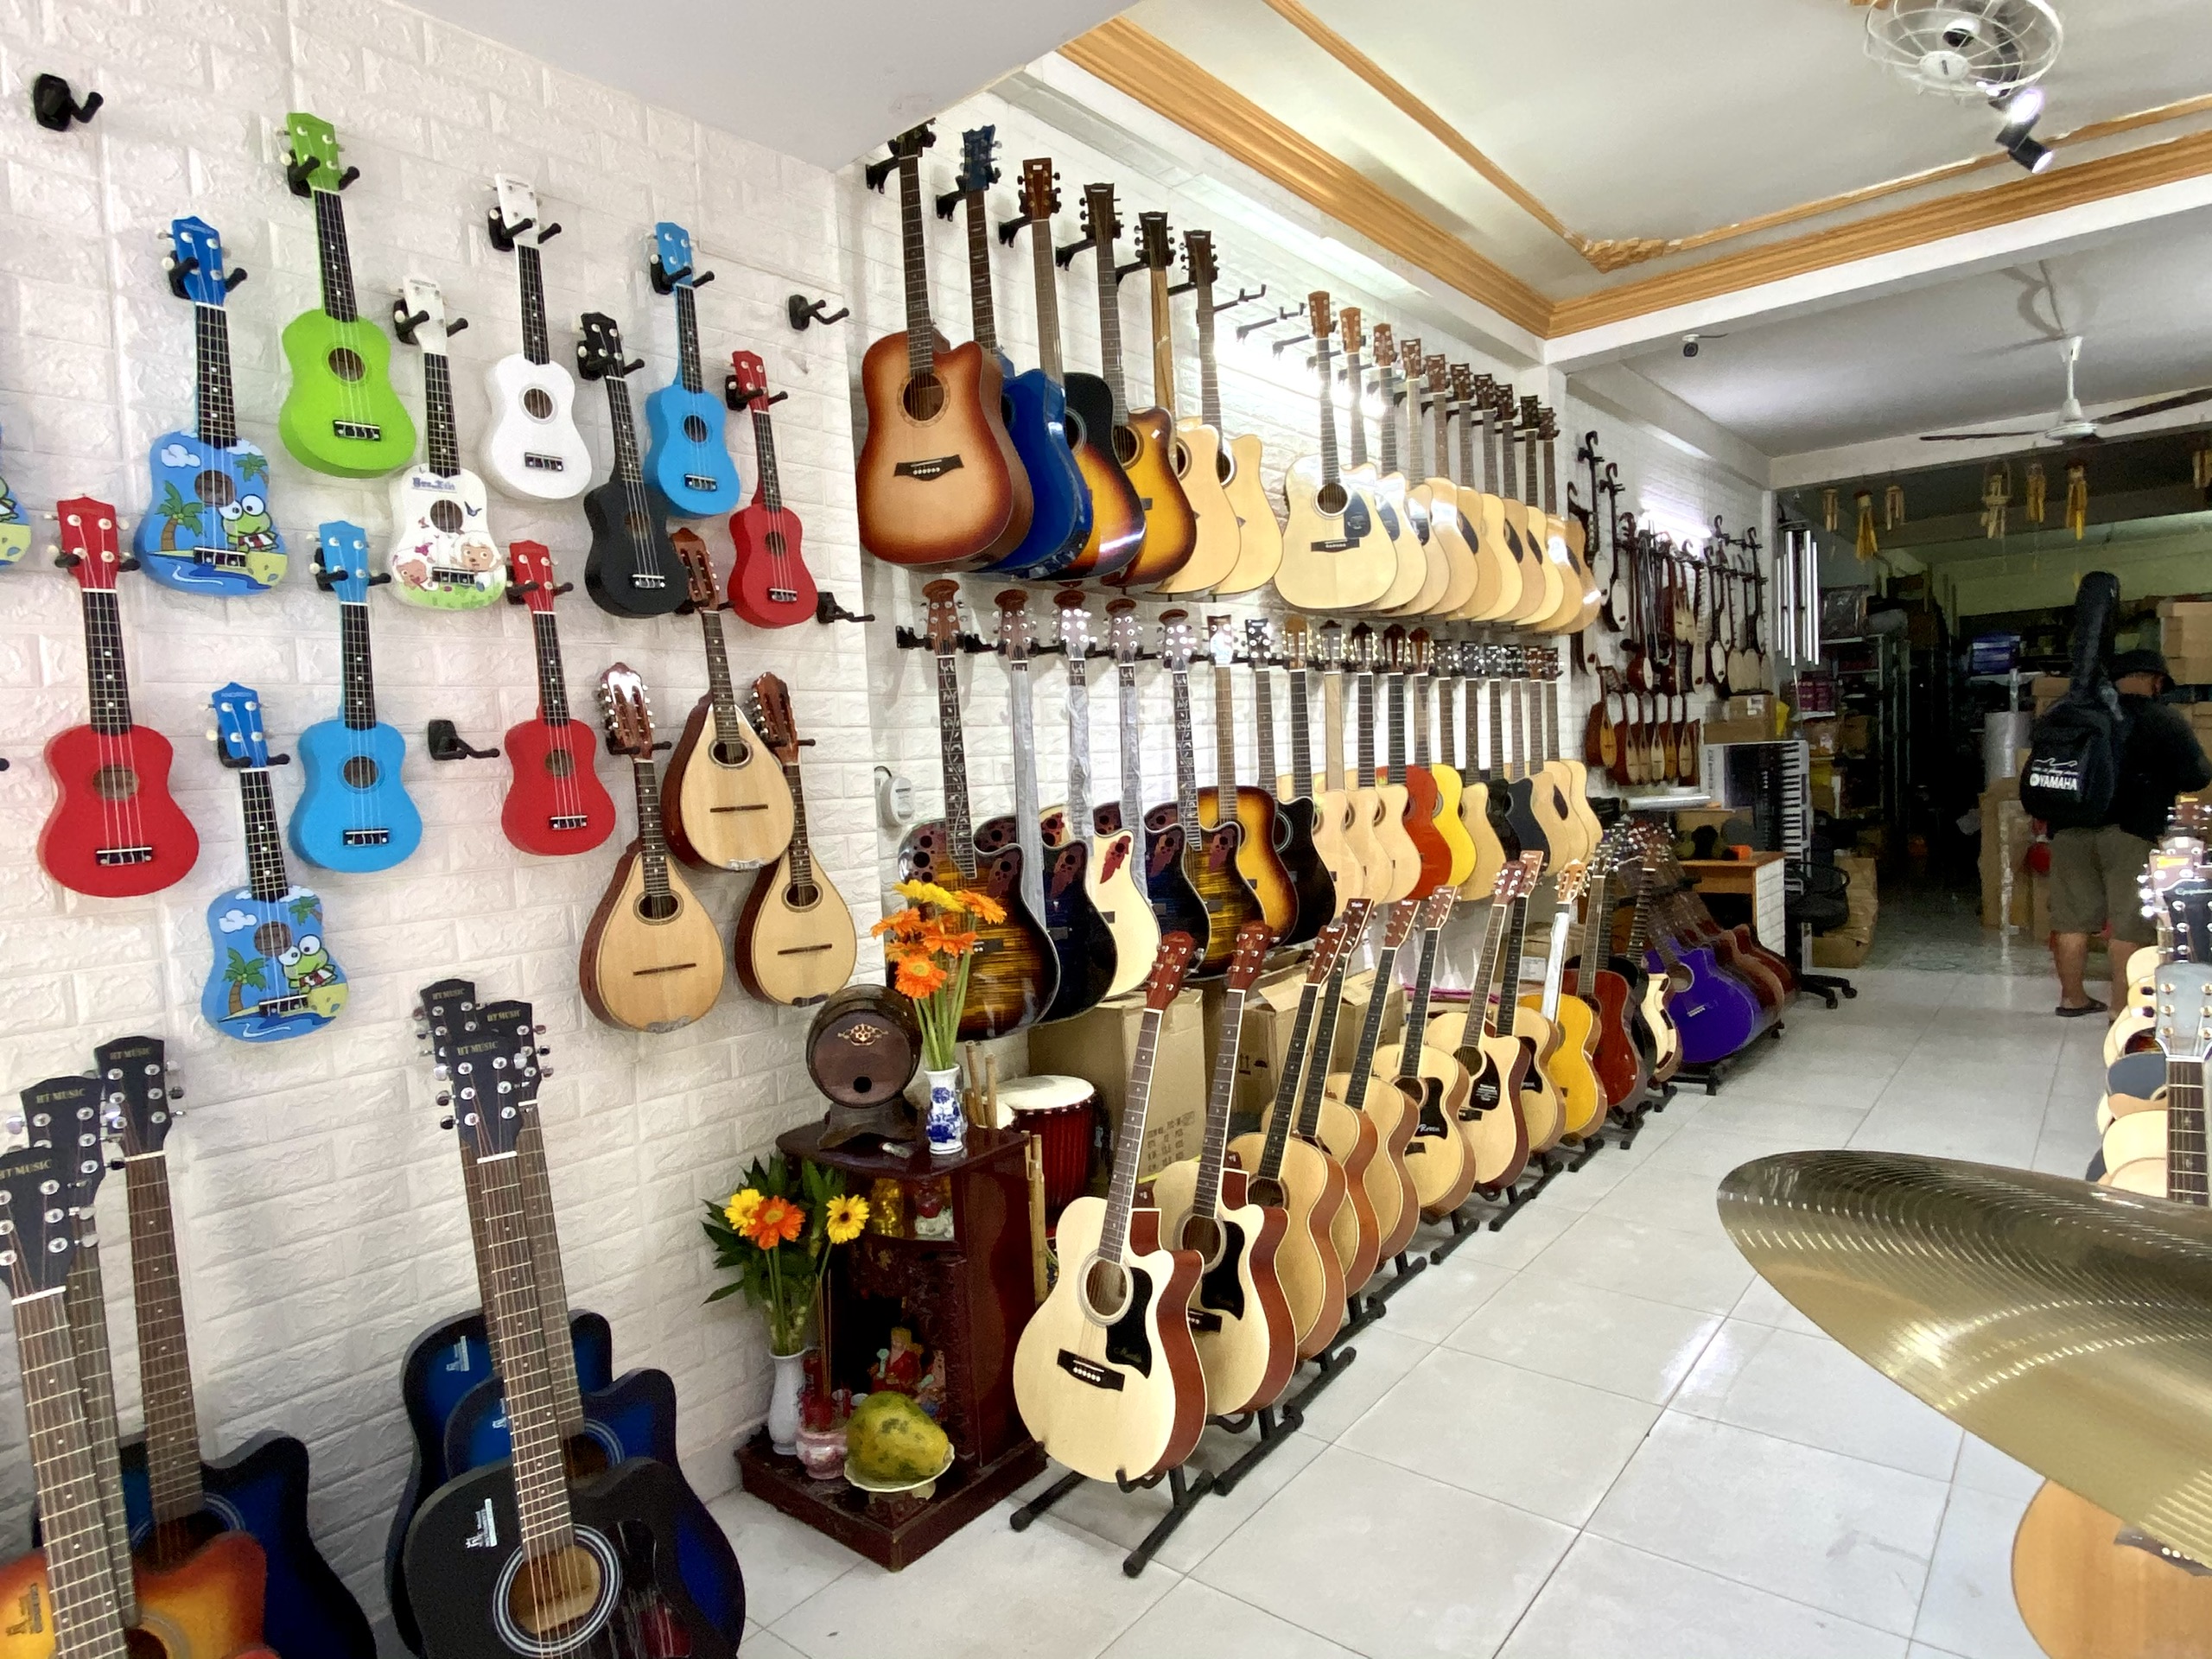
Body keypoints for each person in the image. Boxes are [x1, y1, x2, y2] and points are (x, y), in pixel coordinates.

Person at [2049, 648, 2212, 1016]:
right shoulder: (2160, 718)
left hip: (2069, 825)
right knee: (2129, 924)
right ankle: (2121, 1009)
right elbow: (2198, 775)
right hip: (2130, 831)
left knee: (2071, 919)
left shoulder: (2072, 712)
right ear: (2155, 681)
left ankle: (2072, 999)